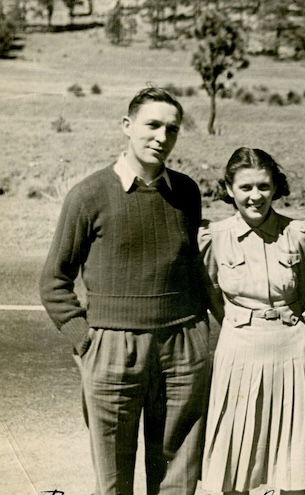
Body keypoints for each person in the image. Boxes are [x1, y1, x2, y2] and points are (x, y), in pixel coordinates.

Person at [39, 87, 211, 495]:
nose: (161, 137)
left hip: (183, 345)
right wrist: (87, 342)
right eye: (152, 125)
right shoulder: (89, 194)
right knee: (113, 474)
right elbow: (53, 280)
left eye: (172, 129)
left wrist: (201, 334)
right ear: (127, 126)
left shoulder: (186, 192)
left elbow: (189, 267)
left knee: (177, 470)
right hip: (112, 346)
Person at [200, 147, 305, 495]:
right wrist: (242, 320)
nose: (255, 196)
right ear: (229, 189)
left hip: (289, 346)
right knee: (235, 455)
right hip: (238, 347)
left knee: (292, 455)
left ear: (275, 188)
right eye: (245, 188)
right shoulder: (214, 237)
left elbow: (304, 291)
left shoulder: (299, 234)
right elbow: (212, 294)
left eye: (263, 186)